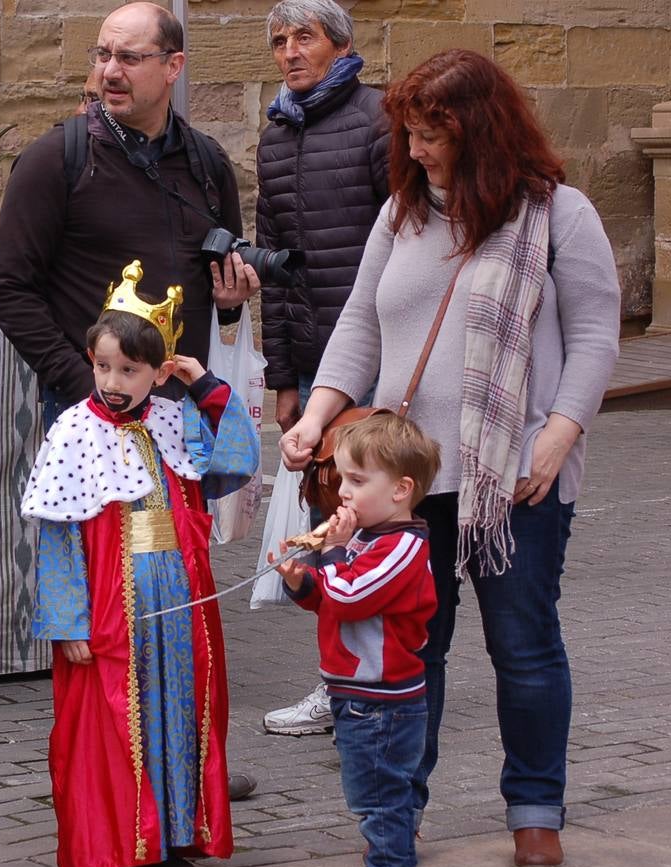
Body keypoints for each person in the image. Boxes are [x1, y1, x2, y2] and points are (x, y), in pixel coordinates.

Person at [279, 49, 620, 867]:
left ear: (483, 132)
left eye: (435, 134)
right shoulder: (400, 215)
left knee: (524, 645)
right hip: (402, 486)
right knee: (411, 652)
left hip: (516, 479)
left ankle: (535, 809)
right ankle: (401, 812)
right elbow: (359, 325)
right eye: (412, 133)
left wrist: (558, 434)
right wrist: (317, 416)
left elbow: (595, 338)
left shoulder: (557, 214)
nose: (419, 148)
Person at [21, 261, 260, 867]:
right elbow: (57, 534)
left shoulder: (174, 419)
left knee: (178, 715)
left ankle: (171, 837)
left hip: (181, 606)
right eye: (104, 367)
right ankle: (118, 852)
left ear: (159, 371)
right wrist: (67, 619)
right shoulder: (74, 430)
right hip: (110, 607)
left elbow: (237, 459)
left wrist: (204, 383)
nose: (113, 381)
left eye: (130, 370)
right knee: (110, 720)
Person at [0, 0, 259, 431]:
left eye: (129, 58)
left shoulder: (208, 162)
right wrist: (86, 386)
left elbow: (219, 284)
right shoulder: (55, 159)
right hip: (90, 413)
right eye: (103, 55)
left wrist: (228, 304)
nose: (109, 72)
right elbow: (7, 287)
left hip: (184, 409)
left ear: (174, 66)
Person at [255, 0, 391, 738]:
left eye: (302, 37)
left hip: (375, 364)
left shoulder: (376, 120)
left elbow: (403, 240)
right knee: (326, 532)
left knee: (374, 528)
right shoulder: (275, 134)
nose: (288, 52)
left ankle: (378, 682)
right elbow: (272, 264)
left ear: (340, 45)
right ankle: (338, 683)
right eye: (278, 41)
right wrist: (283, 381)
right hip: (313, 371)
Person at [274, 413, 439, 867]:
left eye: (358, 481)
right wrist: (303, 585)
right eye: (343, 478)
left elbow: (348, 596)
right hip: (356, 691)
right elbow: (332, 599)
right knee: (370, 793)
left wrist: (333, 551)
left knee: (382, 798)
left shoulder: (401, 546)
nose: (343, 492)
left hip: (383, 698)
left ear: (400, 490)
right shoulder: (368, 538)